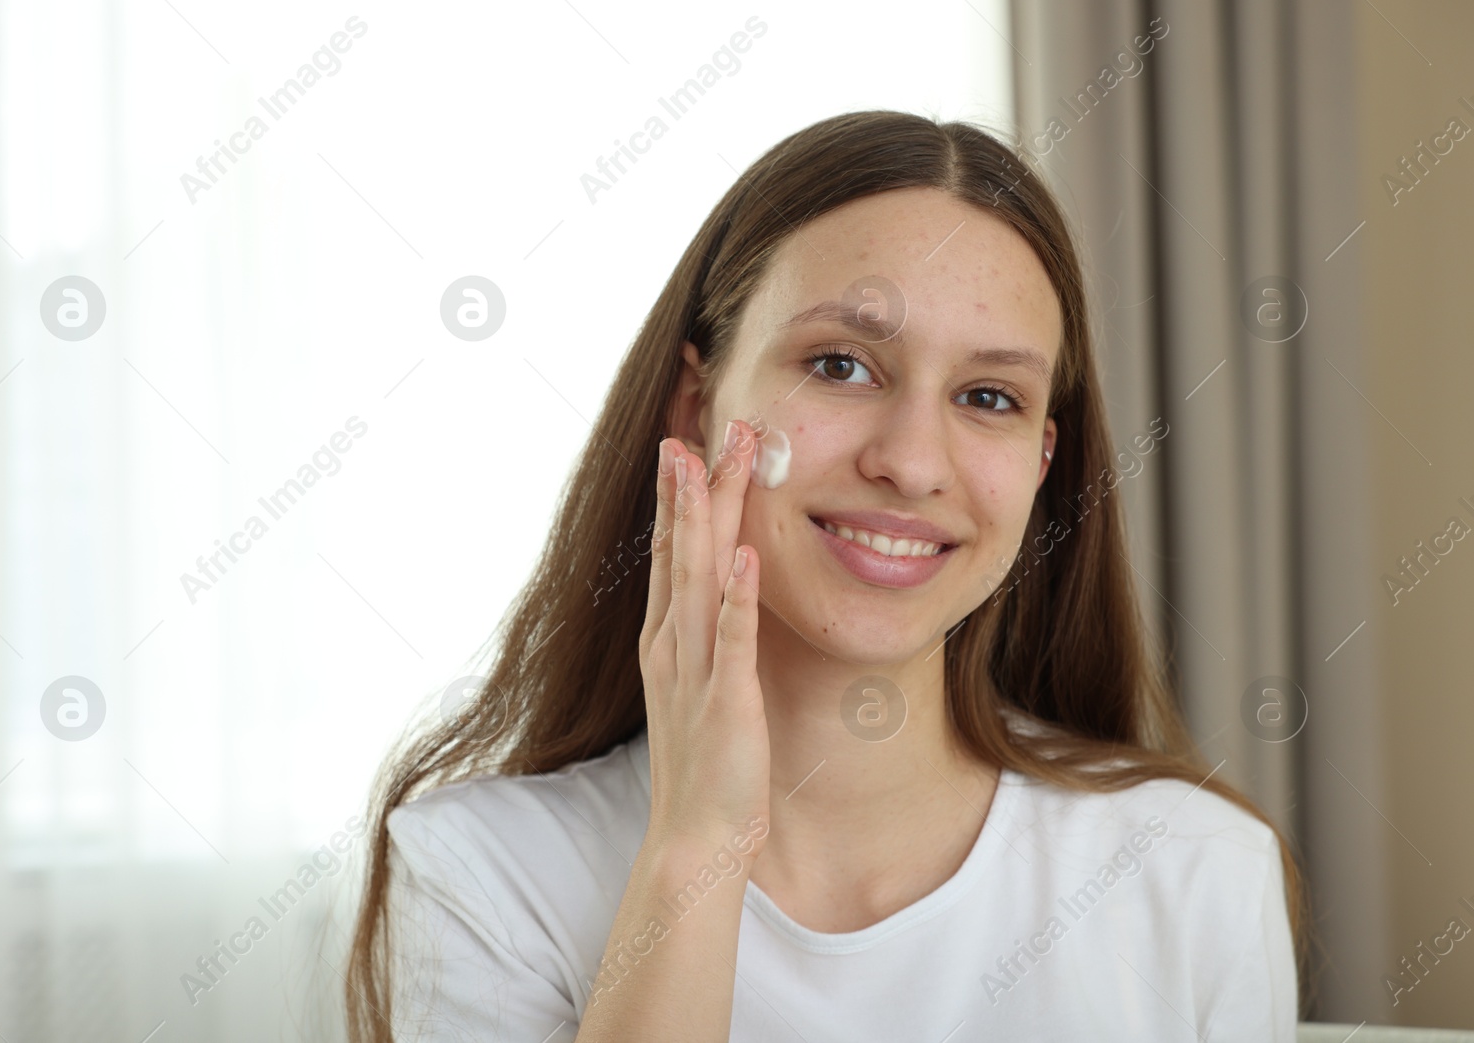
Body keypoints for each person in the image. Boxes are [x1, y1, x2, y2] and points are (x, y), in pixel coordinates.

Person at [343, 109, 1305, 1042]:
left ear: (1042, 463)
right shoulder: (482, 877)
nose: (914, 461)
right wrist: (695, 849)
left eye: (987, 396)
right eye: (841, 365)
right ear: (698, 404)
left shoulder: (1196, 869)